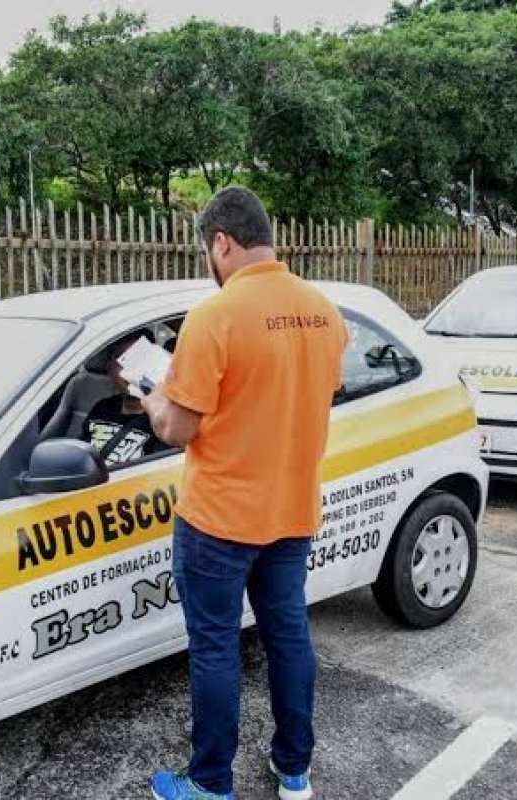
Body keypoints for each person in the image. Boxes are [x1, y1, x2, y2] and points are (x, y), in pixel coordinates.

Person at [142, 186, 349, 800]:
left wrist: (153, 396)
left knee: (215, 647)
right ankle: (294, 772)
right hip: (291, 511)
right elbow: (322, 389)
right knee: (289, 636)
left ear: (222, 242)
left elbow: (179, 428)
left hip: (219, 520)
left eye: (209, 249)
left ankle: (208, 785)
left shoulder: (216, 316)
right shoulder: (322, 309)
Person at [82, 333, 167, 467]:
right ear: (109, 367)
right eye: (123, 359)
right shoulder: (102, 407)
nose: (130, 369)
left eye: (140, 359)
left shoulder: (164, 417)